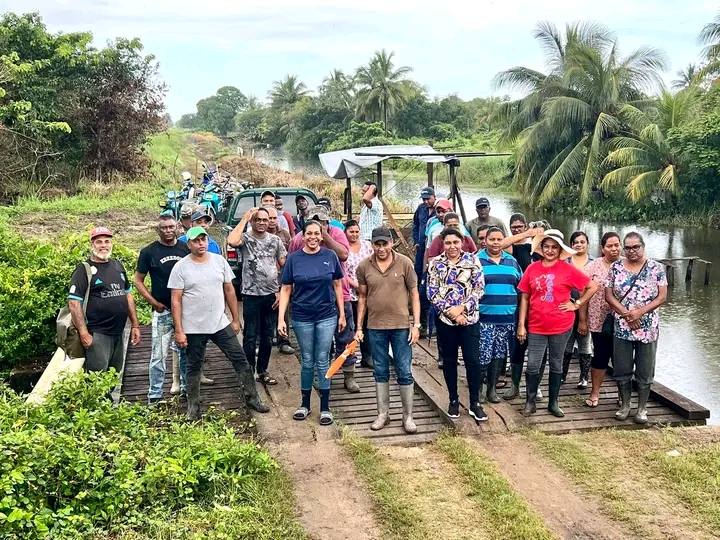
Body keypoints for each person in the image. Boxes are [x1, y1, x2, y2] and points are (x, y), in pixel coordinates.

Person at [168, 226, 269, 420]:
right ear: (188, 244)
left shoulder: (219, 261)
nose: (200, 244)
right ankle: (193, 406)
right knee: (193, 366)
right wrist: (179, 330)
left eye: (203, 240)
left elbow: (230, 291)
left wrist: (235, 318)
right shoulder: (181, 267)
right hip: (193, 326)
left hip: (219, 323)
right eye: (196, 241)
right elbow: (175, 300)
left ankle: (253, 398)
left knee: (240, 359)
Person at [516, 230, 598, 418]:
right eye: (546, 246)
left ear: (560, 250)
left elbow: (592, 287)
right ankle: (530, 401)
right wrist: (522, 324)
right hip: (536, 324)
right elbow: (525, 297)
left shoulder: (568, 269)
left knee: (556, 363)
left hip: (561, 325)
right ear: (541, 248)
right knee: (533, 365)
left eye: (554, 247)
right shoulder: (532, 268)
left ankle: (554, 402)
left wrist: (576, 304)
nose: (550, 250)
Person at [278, 221, 346, 425]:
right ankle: (305, 404)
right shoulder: (294, 259)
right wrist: (281, 318)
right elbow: (286, 289)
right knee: (307, 360)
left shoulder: (330, 256)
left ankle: (325, 407)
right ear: (303, 236)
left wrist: (342, 314)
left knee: (323, 358)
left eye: (317, 233)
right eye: (309, 233)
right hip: (301, 316)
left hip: (326, 315)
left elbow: (337, 285)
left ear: (322, 236)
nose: (313, 237)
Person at [355, 226, 421, 433]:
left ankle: (407, 416)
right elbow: (362, 298)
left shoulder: (405, 263)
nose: (381, 248)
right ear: (372, 245)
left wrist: (416, 325)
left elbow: (414, 295)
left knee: (404, 369)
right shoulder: (364, 266)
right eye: (377, 244)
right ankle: (382, 413)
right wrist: (359, 327)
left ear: (392, 243)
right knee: (380, 369)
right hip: (375, 327)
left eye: (385, 244)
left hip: (401, 326)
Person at [289, 205, 356, 389]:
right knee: (319, 341)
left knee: (345, 336)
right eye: (314, 222)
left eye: (322, 222)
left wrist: (324, 235)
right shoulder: (297, 239)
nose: (318, 226)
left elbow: (343, 255)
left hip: (339, 293)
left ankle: (348, 374)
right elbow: (291, 265)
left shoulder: (337, 233)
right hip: (311, 298)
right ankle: (322, 374)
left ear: (328, 221)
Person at [605, 232, 667, 424]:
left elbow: (662, 297)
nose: (631, 251)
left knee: (645, 369)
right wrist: (627, 314)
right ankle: (625, 405)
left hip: (647, 328)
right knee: (622, 368)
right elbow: (609, 295)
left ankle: (642, 408)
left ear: (643, 246)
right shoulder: (616, 267)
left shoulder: (656, 268)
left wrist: (640, 313)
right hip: (622, 326)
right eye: (628, 247)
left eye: (635, 247)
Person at [427, 228, 486, 421]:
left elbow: (479, 288)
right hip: (446, 320)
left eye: (455, 242)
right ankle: (453, 399)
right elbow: (432, 292)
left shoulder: (472, 260)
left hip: (469, 319)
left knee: (473, 361)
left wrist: (462, 308)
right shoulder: (436, 263)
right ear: (442, 244)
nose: (452, 247)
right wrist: (452, 313)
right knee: (450, 361)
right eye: (448, 243)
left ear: (462, 242)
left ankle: (475, 402)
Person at [67, 227, 141, 372]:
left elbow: (128, 295)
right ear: (92, 245)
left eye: (107, 241)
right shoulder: (84, 270)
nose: (104, 245)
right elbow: (74, 303)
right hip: (97, 333)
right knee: (98, 376)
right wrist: (83, 333)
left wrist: (135, 325)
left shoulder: (117, 265)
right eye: (99, 242)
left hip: (119, 332)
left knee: (114, 374)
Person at [227, 207, 287, 385]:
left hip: (271, 295)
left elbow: (285, 265)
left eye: (265, 220)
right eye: (258, 220)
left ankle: (262, 370)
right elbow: (231, 240)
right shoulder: (245, 239)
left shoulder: (275, 240)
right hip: (251, 294)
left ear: (270, 221)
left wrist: (281, 290)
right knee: (250, 335)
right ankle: (248, 372)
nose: (261, 223)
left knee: (268, 336)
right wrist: (245, 217)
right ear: (252, 221)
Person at [134, 215, 191, 403]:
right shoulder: (148, 252)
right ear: (158, 230)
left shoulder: (185, 248)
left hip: (185, 311)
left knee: (185, 351)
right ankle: (155, 393)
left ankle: (185, 388)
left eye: (171, 227)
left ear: (177, 228)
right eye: (164, 227)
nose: (168, 230)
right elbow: (138, 280)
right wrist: (153, 302)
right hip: (162, 311)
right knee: (158, 354)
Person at [478, 227, 522, 404]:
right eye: (492, 239)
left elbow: (521, 288)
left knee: (498, 355)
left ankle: (492, 389)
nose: (495, 243)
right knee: (483, 355)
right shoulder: (477, 260)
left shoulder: (511, 262)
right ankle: (478, 389)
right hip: (484, 319)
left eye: (499, 239)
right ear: (485, 241)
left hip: (506, 319)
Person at [579, 232, 622, 408]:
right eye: (609, 246)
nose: (614, 249)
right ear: (602, 249)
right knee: (600, 356)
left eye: (617, 245)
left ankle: (623, 395)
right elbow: (583, 295)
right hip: (598, 319)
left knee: (622, 359)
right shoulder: (592, 267)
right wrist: (582, 320)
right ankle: (595, 393)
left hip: (623, 321)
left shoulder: (627, 265)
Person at [562, 231, 595, 388]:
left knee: (584, 341)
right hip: (566, 307)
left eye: (582, 242)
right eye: (576, 242)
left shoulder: (594, 262)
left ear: (587, 243)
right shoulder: (565, 261)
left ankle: (584, 377)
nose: (579, 245)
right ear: (571, 245)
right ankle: (562, 375)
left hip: (588, 307)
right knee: (567, 342)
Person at [344, 219, 374, 369]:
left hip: (367, 291)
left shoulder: (367, 246)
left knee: (366, 325)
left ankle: (367, 356)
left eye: (356, 232)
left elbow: (374, 263)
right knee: (350, 326)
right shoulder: (343, 248)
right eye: (351, 232)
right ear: (345, 232)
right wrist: (355, 285)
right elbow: (341, 271)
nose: (354, 234)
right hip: (349, 292)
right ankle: (350, 356)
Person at [412, 187, 436, 334]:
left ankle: (431, 322)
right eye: (424, 199)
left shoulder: (440, 212)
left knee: (431, 282)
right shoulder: (420, 209)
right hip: (422, 249)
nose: (426, 201)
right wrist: (415, 240)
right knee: (419, 279)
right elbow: (415, 225)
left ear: (434, 197)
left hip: (435, 251)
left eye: (428, 198)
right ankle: (420, 319)